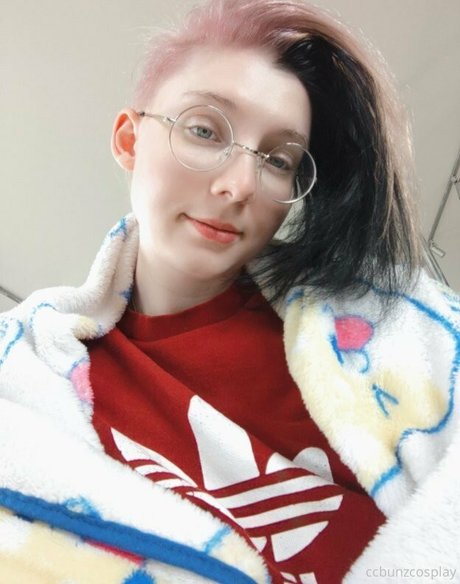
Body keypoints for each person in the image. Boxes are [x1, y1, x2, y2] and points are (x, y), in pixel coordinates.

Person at [0, 0, 459, 583]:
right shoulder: (33, 386)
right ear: (129, 140)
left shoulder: (383, 333)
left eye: (278, 159)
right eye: (204, 129)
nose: (240, 184)